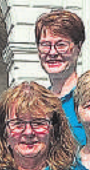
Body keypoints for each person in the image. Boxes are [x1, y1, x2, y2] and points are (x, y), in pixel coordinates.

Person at [35, 8, 86, 144]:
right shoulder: (37, 103)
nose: (52, 52)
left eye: (61, 45)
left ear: (78, 48)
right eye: (45, 45)